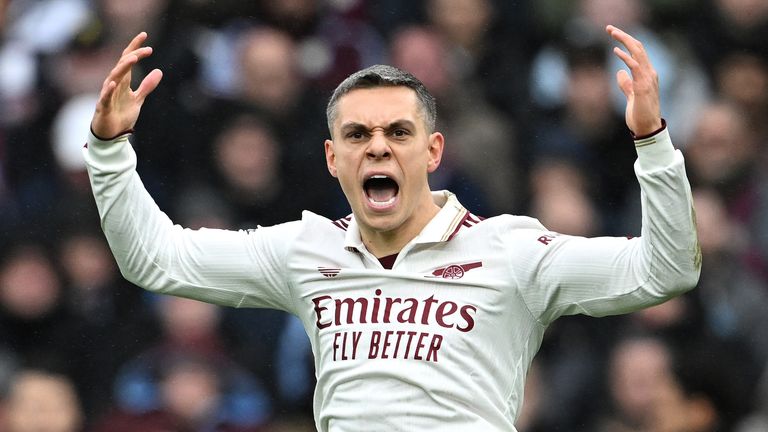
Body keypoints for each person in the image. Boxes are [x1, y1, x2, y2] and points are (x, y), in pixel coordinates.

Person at [83, 25, 700, 431]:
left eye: (397, 133)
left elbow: (667, 270)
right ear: (332, 159)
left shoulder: (510, 251)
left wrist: (653, 142)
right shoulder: (306, 248)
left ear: (432, 152)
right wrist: (109, 149)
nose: (378, 148)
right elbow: (156, 259)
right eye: (357, 135)